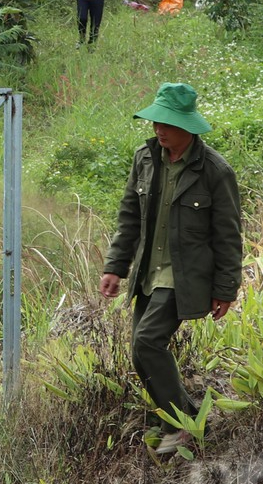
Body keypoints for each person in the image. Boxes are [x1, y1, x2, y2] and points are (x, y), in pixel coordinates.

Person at [100, 83, 244, 458]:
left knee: (148, 342)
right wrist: (116, 267)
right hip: (149, 271)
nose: (158, 129)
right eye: (155, 121)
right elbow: (129, 218)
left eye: (166, 123)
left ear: (188, 127)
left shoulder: (214, 171)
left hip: (184, 275)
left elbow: (228, 235)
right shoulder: (145, 159)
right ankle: (185, 420)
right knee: (139, 352)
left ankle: (180, 425)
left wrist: (226, 288)